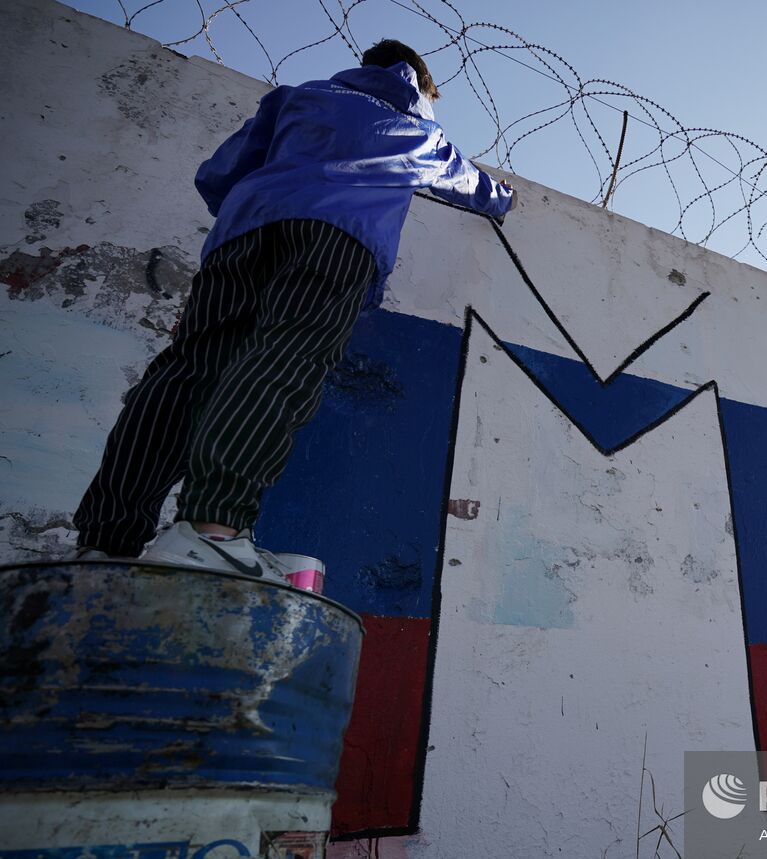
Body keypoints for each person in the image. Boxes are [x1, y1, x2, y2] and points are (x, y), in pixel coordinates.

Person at [71, 39, 514, 581]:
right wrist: (504, 198)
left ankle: (104, 541)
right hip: (338, 241)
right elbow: (473, 185)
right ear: (422, 88)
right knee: (282, 362)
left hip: (243, 232)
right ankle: (213, 530)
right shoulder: (419, 132)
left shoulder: (299, 98)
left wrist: (259, 206)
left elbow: (219, 173)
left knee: (187, 367)